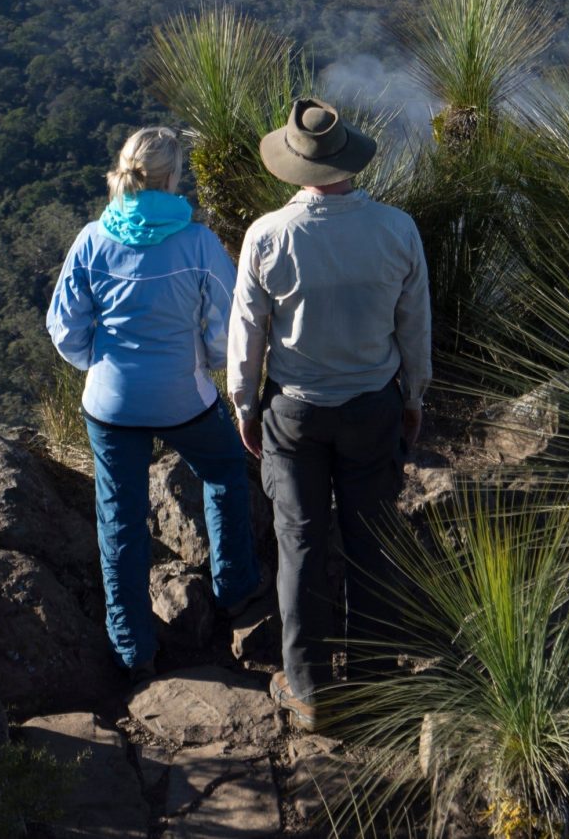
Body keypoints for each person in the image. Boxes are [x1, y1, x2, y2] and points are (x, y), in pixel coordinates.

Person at [227, 98, 430, 728]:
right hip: (373, 406)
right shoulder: (397, 229)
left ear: (293, 166)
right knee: (372, 540)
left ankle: (311, 690)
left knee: (303, 544)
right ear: (348, 159)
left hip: (295, 414)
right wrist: (414, 396)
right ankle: (373, 681)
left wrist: (244, 406)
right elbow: (414, 325)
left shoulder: (268, 235)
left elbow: (247, 335)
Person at [46, 127, 261, 679]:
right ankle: (234, 592)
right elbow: (228, 326)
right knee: (223, 470)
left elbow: (63, 325)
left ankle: (133, 647)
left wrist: (97, 362)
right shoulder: (197, 243)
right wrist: (203, 361)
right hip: (181, 398)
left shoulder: (93, 239)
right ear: (172, 178)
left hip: (111, 403)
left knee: (119, 518)